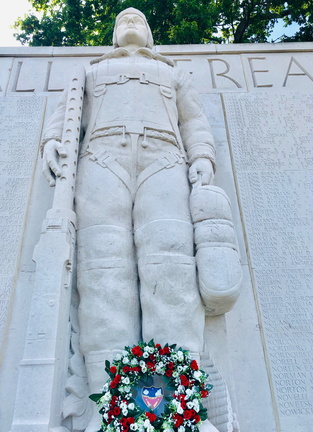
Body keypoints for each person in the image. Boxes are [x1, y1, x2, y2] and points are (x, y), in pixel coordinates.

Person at [42, 8, 218, 432]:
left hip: (165, 160)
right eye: (123, 19)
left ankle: (177, 406)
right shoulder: (89, 71)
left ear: (151, 34)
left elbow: (193, 119)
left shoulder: (173, 74)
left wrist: (203, 156)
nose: (131, 21)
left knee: (171, 270)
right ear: (115, 34)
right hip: (101, 160)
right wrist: (52, 140)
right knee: (103, 273)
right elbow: (67, 117)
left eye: (138, 18)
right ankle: (112, 407)